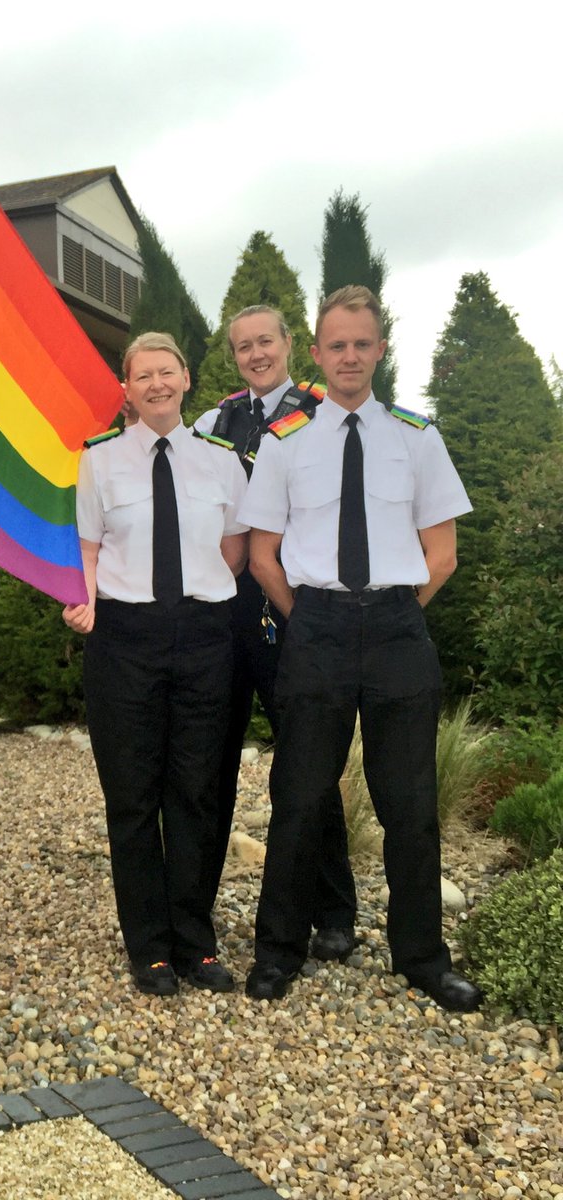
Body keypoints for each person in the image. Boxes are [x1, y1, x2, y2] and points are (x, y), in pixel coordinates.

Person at [239, 285, 482, 1012]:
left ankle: (423, 958)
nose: (349, 356)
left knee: (410, 804)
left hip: (397, 633)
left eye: (362, 344)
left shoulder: (417, 437)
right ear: (317, 353)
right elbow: (263, 557)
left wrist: (390, 616)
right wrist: (314, 619)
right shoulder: (286, 441)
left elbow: (442, 556)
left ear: (380, 350)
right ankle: (278, 952)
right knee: (298, 798)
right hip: (315, 630)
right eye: (337, 345)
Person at [63, 332, 247, 996]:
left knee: (196, 791)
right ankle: (150, 948)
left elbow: (234, 549)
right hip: (125, 640)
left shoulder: (223, 460)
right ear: (127, 389)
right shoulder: (99, 460)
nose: (157, 384)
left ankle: (195, 943)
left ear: (186, 378)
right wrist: (84, 600)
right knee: (134, 795)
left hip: (203, 637)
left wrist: (197, 594)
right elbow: (87, 547)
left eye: (166, 372)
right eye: (143, 376)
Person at [194, 306, 358, 963]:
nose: (256, 354)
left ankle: (333, 912)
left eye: (266, 341)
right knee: (208, 768)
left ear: (290, 345)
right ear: (233, 356)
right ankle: (193, 912)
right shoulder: (214, 423)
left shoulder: (326, 413)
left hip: (297, 614)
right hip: (224, 618)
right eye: (244, 347)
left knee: (309, 772)